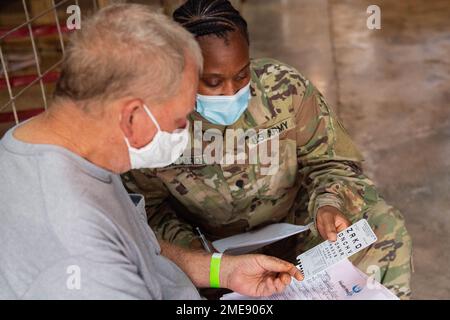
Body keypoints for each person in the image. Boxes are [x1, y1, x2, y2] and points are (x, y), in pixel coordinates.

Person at [0, 4, 302, 299]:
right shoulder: (83, 264)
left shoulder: (46, 145)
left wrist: (220, 271)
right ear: (131, 116)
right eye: (179, 120)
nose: (184, 131)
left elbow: (139, 249)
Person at [122, 0, 413, 299]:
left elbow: (331, 162)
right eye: (212, 82)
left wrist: (329, 204)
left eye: (242, 75)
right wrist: (204, 259)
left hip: (296, 235)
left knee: (380, 225)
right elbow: (145, 210)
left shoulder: (285, 89)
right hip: (208, 253)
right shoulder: (157, 121)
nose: (231, 92)